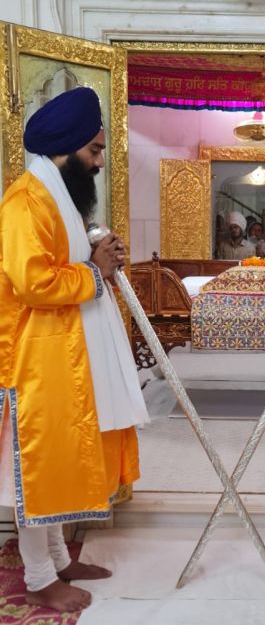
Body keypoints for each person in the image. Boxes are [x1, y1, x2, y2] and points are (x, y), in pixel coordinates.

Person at [0, 87, 149, 613]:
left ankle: (60, 559)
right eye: (94, 151)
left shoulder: (54, 197)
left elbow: (64, 264)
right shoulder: (25, 201)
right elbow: (33, 283)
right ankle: (40, 577)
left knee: (61, 461)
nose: (100, 162)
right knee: (40, 468)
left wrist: (95, 256)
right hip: (34, 361)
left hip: (64, 353)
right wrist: (94, 270)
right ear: (64, 151)